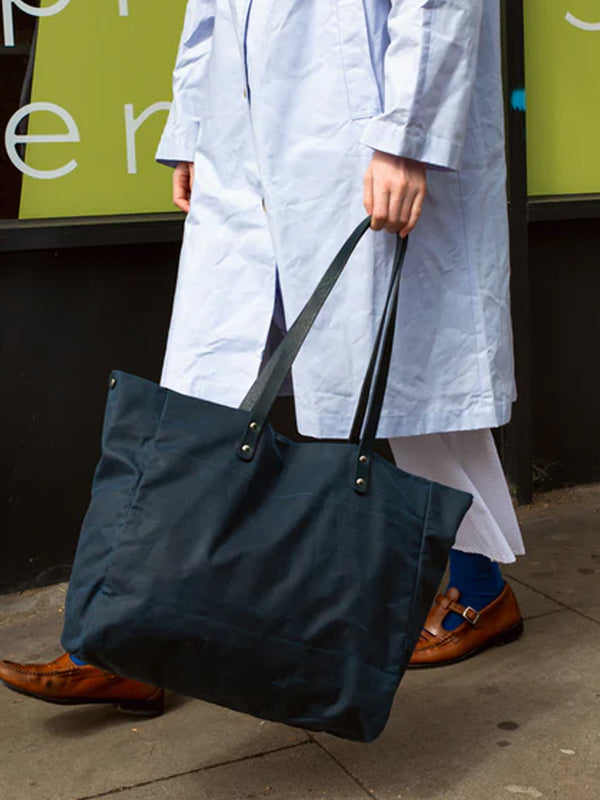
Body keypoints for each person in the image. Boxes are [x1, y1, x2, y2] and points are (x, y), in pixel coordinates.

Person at [0, 0, 524, 712]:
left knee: (403, 374)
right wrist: (193, 129)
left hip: (357, 126)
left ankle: (480, 585)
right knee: (200, 390)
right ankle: (124, 634)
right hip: (241, 139)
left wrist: (406, 136)